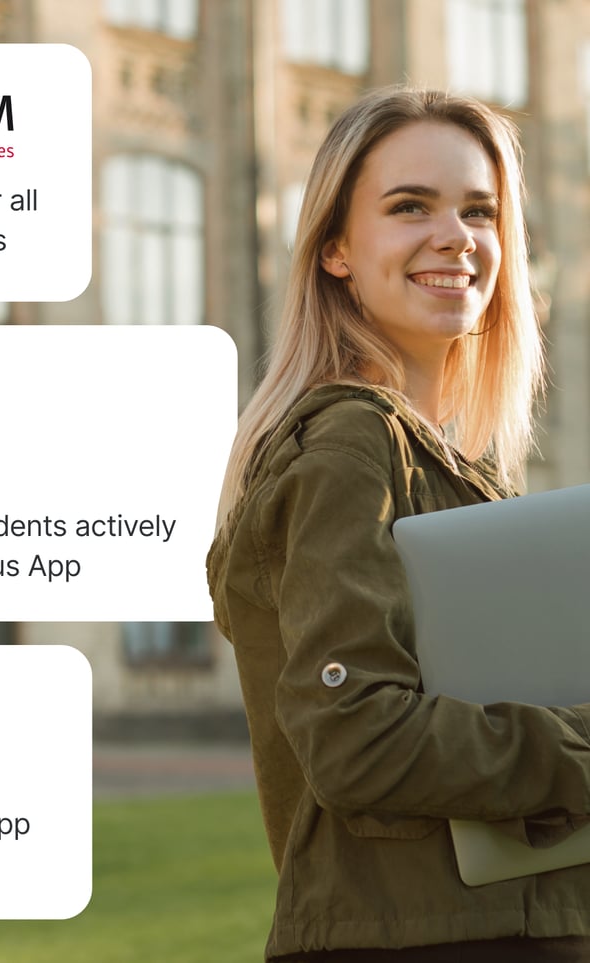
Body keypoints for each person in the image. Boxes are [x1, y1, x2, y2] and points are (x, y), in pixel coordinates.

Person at [207, 87, 590, 962]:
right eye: (410, 206)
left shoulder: (461, 465)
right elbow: (359, 740)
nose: (456, 235)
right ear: (337, 249)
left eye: (479, 210)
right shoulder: (349, 441)